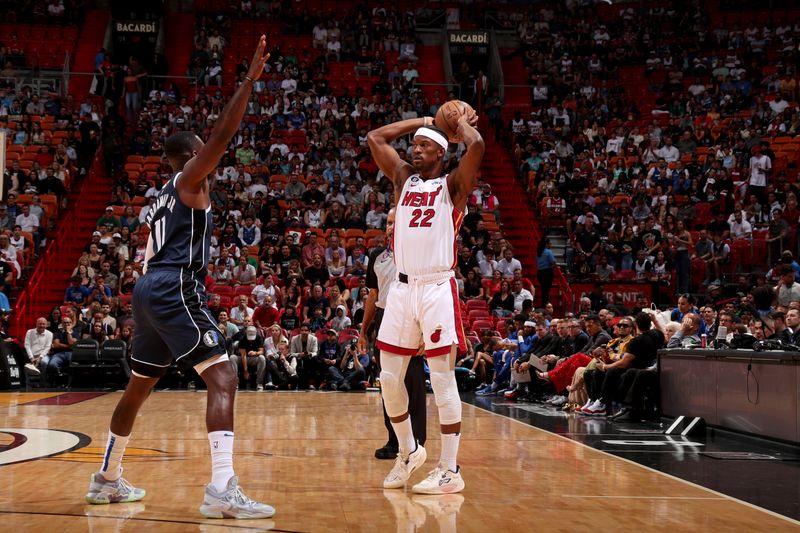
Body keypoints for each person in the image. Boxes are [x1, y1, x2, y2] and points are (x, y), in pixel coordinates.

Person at [85, 37, 275, 519]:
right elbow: (222, 137)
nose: (211, 160)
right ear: (191, 156)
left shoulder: (163, 195)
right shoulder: (190, 181)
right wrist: (249, 81)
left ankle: (107, 478)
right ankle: (221, 488)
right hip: (172, 286)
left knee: (138, 387)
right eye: (202, 152)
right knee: (224, 377)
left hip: (148, 289)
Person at [367, 106, 483, 494]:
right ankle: (408, 451)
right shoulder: (404, 181)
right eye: (413, 146)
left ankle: (450, 469)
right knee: (387, 379)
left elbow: (477, 145)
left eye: (422, 146)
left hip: (435, 287)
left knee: (443, 378)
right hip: (401, 289)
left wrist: (458, 126)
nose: (414, 150)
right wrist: (424, 122)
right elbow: (376, 138)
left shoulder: (452, 186)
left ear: (440, 153)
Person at [358, 208, 427, 460]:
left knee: (414, 384)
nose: (390, 226)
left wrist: (424, 333)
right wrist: (363, 332)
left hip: (411, 320)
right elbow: (373, 296)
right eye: (388, 222)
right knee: (388, 383)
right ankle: (395, 440)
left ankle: (416, 442)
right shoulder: (377, 255)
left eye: (396, 222)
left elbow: (424, 296)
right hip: (383, 318)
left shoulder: (419, 256)